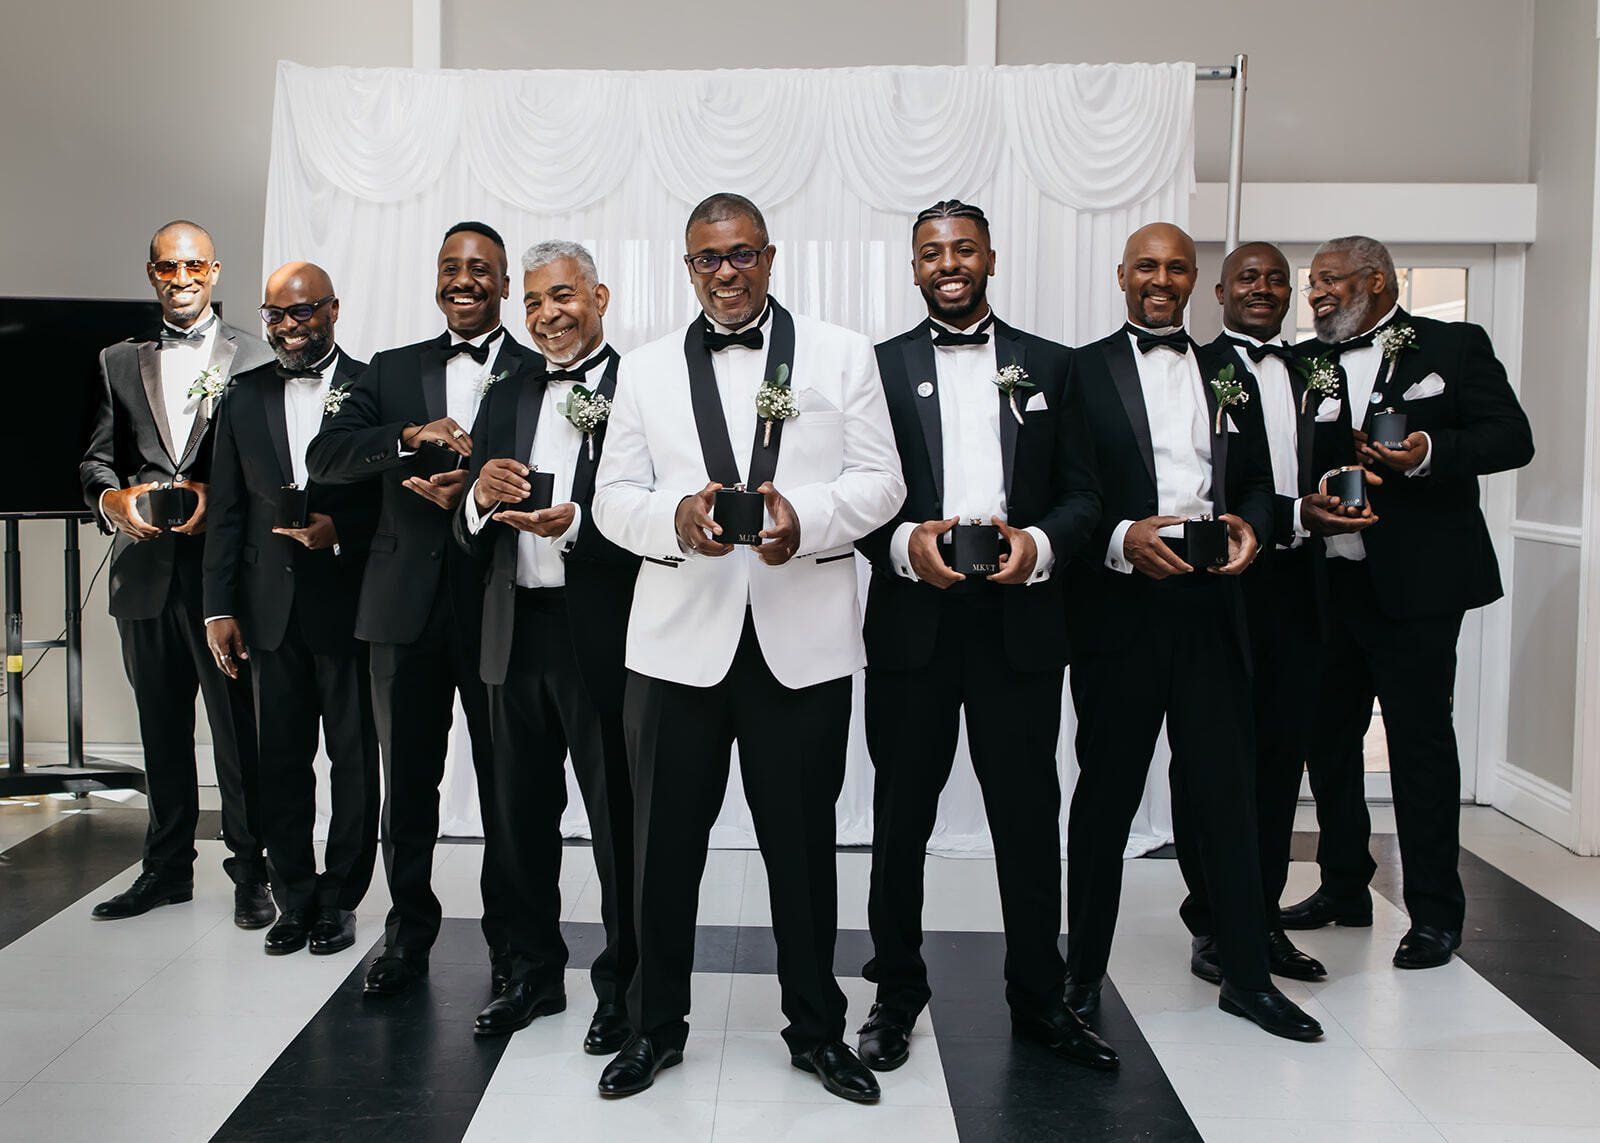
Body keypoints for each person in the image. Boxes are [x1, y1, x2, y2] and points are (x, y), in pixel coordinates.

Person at [591, 193, 904, 1102]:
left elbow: (882, 482)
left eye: (741, 255)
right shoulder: (644, 371)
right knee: (661, 854)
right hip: (674, 648)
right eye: (706, 259)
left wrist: (803, 520)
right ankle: (654, 1027)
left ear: (770, 257)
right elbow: (613, 496)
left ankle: (816, 1031)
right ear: (687, 267)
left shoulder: (843, 355)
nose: (725, 273)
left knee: (803, 852)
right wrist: (673, 519)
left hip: (800, 646)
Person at [853, 200, 1114, 1074]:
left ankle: (1040, 996)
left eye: (963, 248)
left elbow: (1085, 494)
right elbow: (856, 496)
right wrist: (901, 547)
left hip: (1021, 626)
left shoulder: (1053, 366)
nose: (949, 263)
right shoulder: (876, 368)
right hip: (912, 627)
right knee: (899, 820)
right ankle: (894, 991)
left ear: (992, 258)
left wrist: (1037, 548)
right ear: (914, 266)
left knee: (1028, 821)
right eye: (932, 252)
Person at [1062, 222, 1322, 1041]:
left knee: (1227, 796)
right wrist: (1119, 539)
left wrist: (1249, 526)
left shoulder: (1225, 368)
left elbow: (1250, 480)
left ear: (1193, 280)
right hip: (1119, 615)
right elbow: (1070, 487)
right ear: (1122, 276)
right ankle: (1079, 975)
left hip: (1214, 610)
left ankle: (1245, 974)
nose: (1162, 279)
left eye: (1177, 267)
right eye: (1148, 265)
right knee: (1105, 798)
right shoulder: (1080, 372)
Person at [1281, 236, 1534, 969]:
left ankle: (1434, 913)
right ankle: (1343, 885)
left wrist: (1426, 448)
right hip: (1327, 585)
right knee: (1327, 744)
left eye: (1330, 280)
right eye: (1313, 284)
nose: (1318, 293)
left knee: (1421, 746)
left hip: (1417, 591)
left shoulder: (1453, 347)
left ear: (1377, 280)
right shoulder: (1306, 361)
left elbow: (1511, 437)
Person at [306, 221, 537, 997]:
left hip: (500, 608)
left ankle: (513, 945)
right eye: (450, 267)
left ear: (506, 284)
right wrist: (408, 437)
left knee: (510, 784)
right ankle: (406, 937)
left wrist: (476, 487)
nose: (463, 280)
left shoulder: (540, 369)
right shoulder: (391, 369)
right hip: (400, 608)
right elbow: (326, 455)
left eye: (480, 269)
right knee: (408, 785)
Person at [454, 240, 638, 1055]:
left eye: (560, 296)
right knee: (516, 819)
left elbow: (657, 516)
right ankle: (529, 972)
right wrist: (476, 500)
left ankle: (626, 987)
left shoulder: (643, 388)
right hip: (511, 631)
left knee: (618, 823)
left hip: (603, 633)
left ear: (599, 295)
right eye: (531, 302)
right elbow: (467, 512)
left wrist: (583, 527)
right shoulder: (507, 387)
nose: (545, 315)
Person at [1183, 241, 1372, 986]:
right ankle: (1213, 922)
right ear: (1222, 291)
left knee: (1282, 756)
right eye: (1248, 279)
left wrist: (1341, 502)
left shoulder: (1313, 369)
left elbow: (1332, 461)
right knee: (1213, 761)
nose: (1263, 289)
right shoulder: (1198, 369)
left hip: (1304, 584)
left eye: (1276, 280)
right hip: (1227, 581)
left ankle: (1262, 918)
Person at [79, 220, 275, 928]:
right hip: (143, 579)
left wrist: (215, 503)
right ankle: (165, 872)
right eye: (168, 267)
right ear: (152, 273)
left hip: (222, 581)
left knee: (236, 735)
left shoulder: (255, 357)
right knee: (160, 735)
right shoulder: (117, 359)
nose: (182, 278)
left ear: (215, 272)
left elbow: (269, 470)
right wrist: (110, 497)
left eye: (194, 266)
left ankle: (253, 873)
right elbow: (97, 457)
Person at [202, 262, 381, 956]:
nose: (286, 327)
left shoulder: (372, 386)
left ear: (333, 309)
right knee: (278, 760)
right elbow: (225, 513)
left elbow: (390, 501)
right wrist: (218, 606)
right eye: (274, 315)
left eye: (301, 312)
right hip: (267, 608)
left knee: (354, 760)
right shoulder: (242, 398)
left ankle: (341, 900)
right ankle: (295, 896)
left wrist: (343, 531)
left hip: (349, 605)